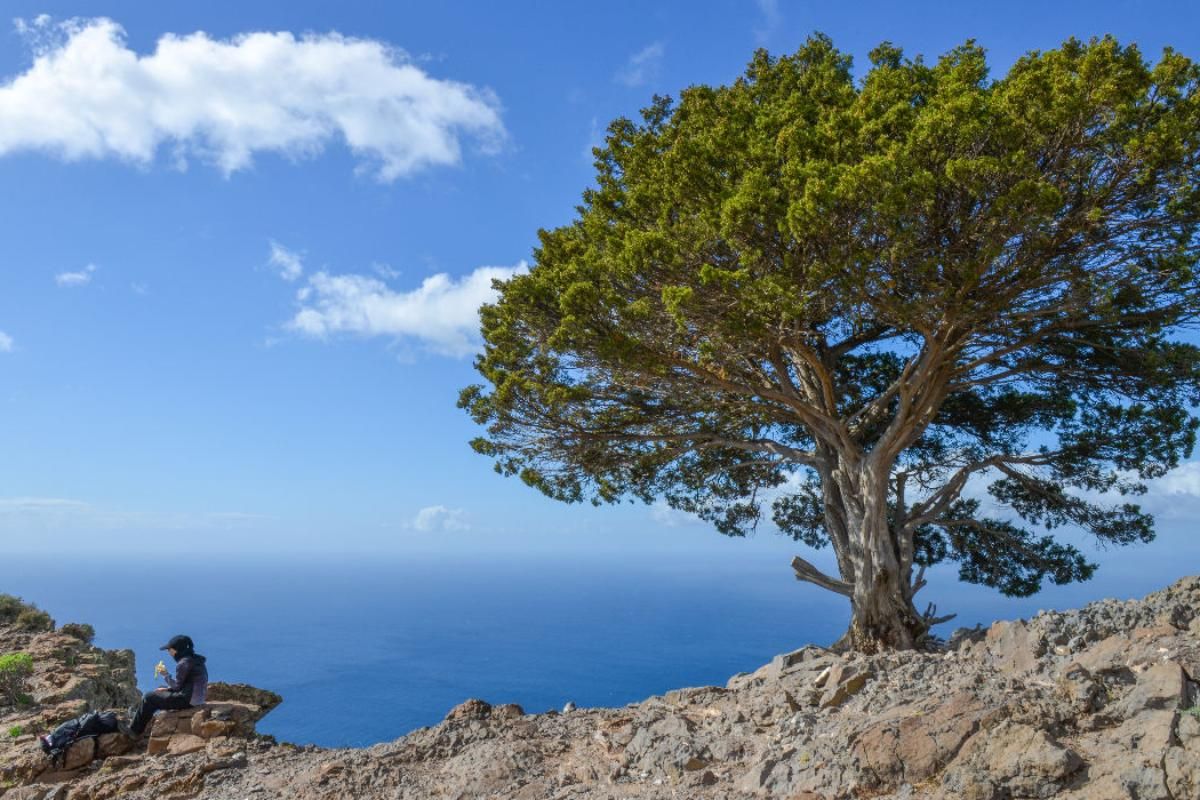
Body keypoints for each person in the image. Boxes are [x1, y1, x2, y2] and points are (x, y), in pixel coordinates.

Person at [125, 634, 208, 737]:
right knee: (160, 691)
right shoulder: (197, 660)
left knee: (149, 697)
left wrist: (165, 674)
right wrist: (168, 688)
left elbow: (177, 686)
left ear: (176, 650)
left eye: (170, 649)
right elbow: (185, 684)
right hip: (198, 698)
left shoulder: (184, 663)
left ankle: (134, 731)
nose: (169, 652)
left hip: (188, 701)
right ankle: (140, 718)